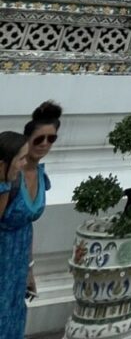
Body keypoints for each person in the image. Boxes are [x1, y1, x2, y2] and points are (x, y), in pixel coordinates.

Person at [21, 100, 62, 303]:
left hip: (19, 256)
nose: (45, 143)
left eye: (51, 138)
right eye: (39, 139)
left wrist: (30, 270)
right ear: (27, 139)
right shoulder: (9, 174)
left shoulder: (40, 174)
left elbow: (26, 226)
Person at [0, 131, 31, 339]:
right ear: (3, 163)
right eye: (20, 158)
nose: (24, 163)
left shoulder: (10, 185)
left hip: (13, 272)